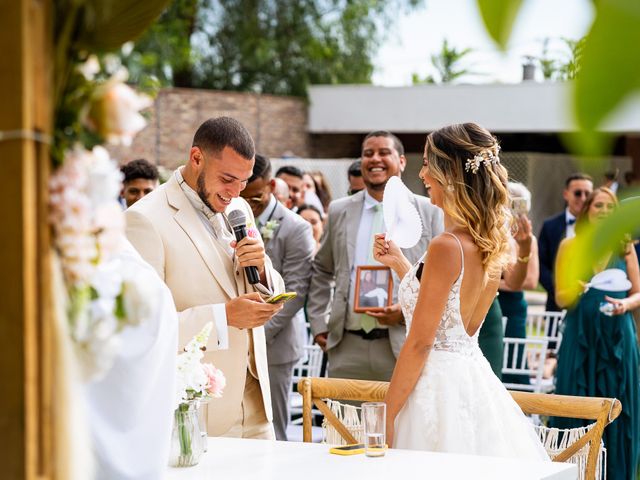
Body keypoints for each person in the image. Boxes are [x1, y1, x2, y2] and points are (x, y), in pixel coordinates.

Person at [375, 122, 548, 459]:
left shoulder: (446, 246)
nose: (422, 174)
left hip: (434, 390)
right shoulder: (487, 243)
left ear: (449, 171)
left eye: (427, 163)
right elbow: (451, 316)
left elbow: (423, 341)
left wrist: (388, 414)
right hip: (472, 380)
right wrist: (400, 264)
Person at [125, 116, 285, 439]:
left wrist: (264, 271)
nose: (236, 192)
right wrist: (224, 317)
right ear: (196, 158)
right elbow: (143, 329)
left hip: (258, 411)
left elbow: (272, 288)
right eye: (228, 179)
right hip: (199, 415)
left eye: (244, 180)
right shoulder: (144, 220)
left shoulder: (240, 208)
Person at [307, 131, 443, 382]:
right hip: (346, 344)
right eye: (368, 154)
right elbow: (322, 270)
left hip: (403, 341)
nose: (375, 159)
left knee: (400, 421)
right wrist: (318, 322)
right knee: (343, 420)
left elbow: (440, 278)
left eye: (384, 152)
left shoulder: (429, 210)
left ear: (401, 161)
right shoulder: (339, 210)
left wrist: (406, 311)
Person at [552, 187, 640, 480]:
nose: (603, 212)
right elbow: (560, 299)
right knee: (575, 399)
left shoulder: (625, 247)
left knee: (617, 404)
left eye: (609, 207)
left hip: (617, 335)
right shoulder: (570, 246)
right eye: (598, 205)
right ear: (587, 210)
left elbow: (637, 293)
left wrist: (625, 304)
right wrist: (573, 290)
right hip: (581, 335)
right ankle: (574, 471)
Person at [240, 154, 315, 441]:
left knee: (276, 427)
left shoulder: (295, 227)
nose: (247, 203)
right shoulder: (229, 217)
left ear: (272, 185)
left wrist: (257, 331)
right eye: (243, 196)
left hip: (274, 343)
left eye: (255, 197)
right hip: (235, 339)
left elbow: (296, 292)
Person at [499, 182, 540, 384]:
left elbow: (531, 281)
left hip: (512, 304)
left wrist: (493, 283)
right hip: (492, 303)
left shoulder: (528, 239)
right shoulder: (495, 234)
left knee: (514, 358)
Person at [538, 173, 593, 311]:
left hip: (591, 303)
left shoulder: (599, 228)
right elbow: (540, 263)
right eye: (578, 193)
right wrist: (560, 290)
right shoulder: (550, 226)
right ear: (566, 194)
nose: (583, 198)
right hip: (556, 304)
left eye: (588, 194)